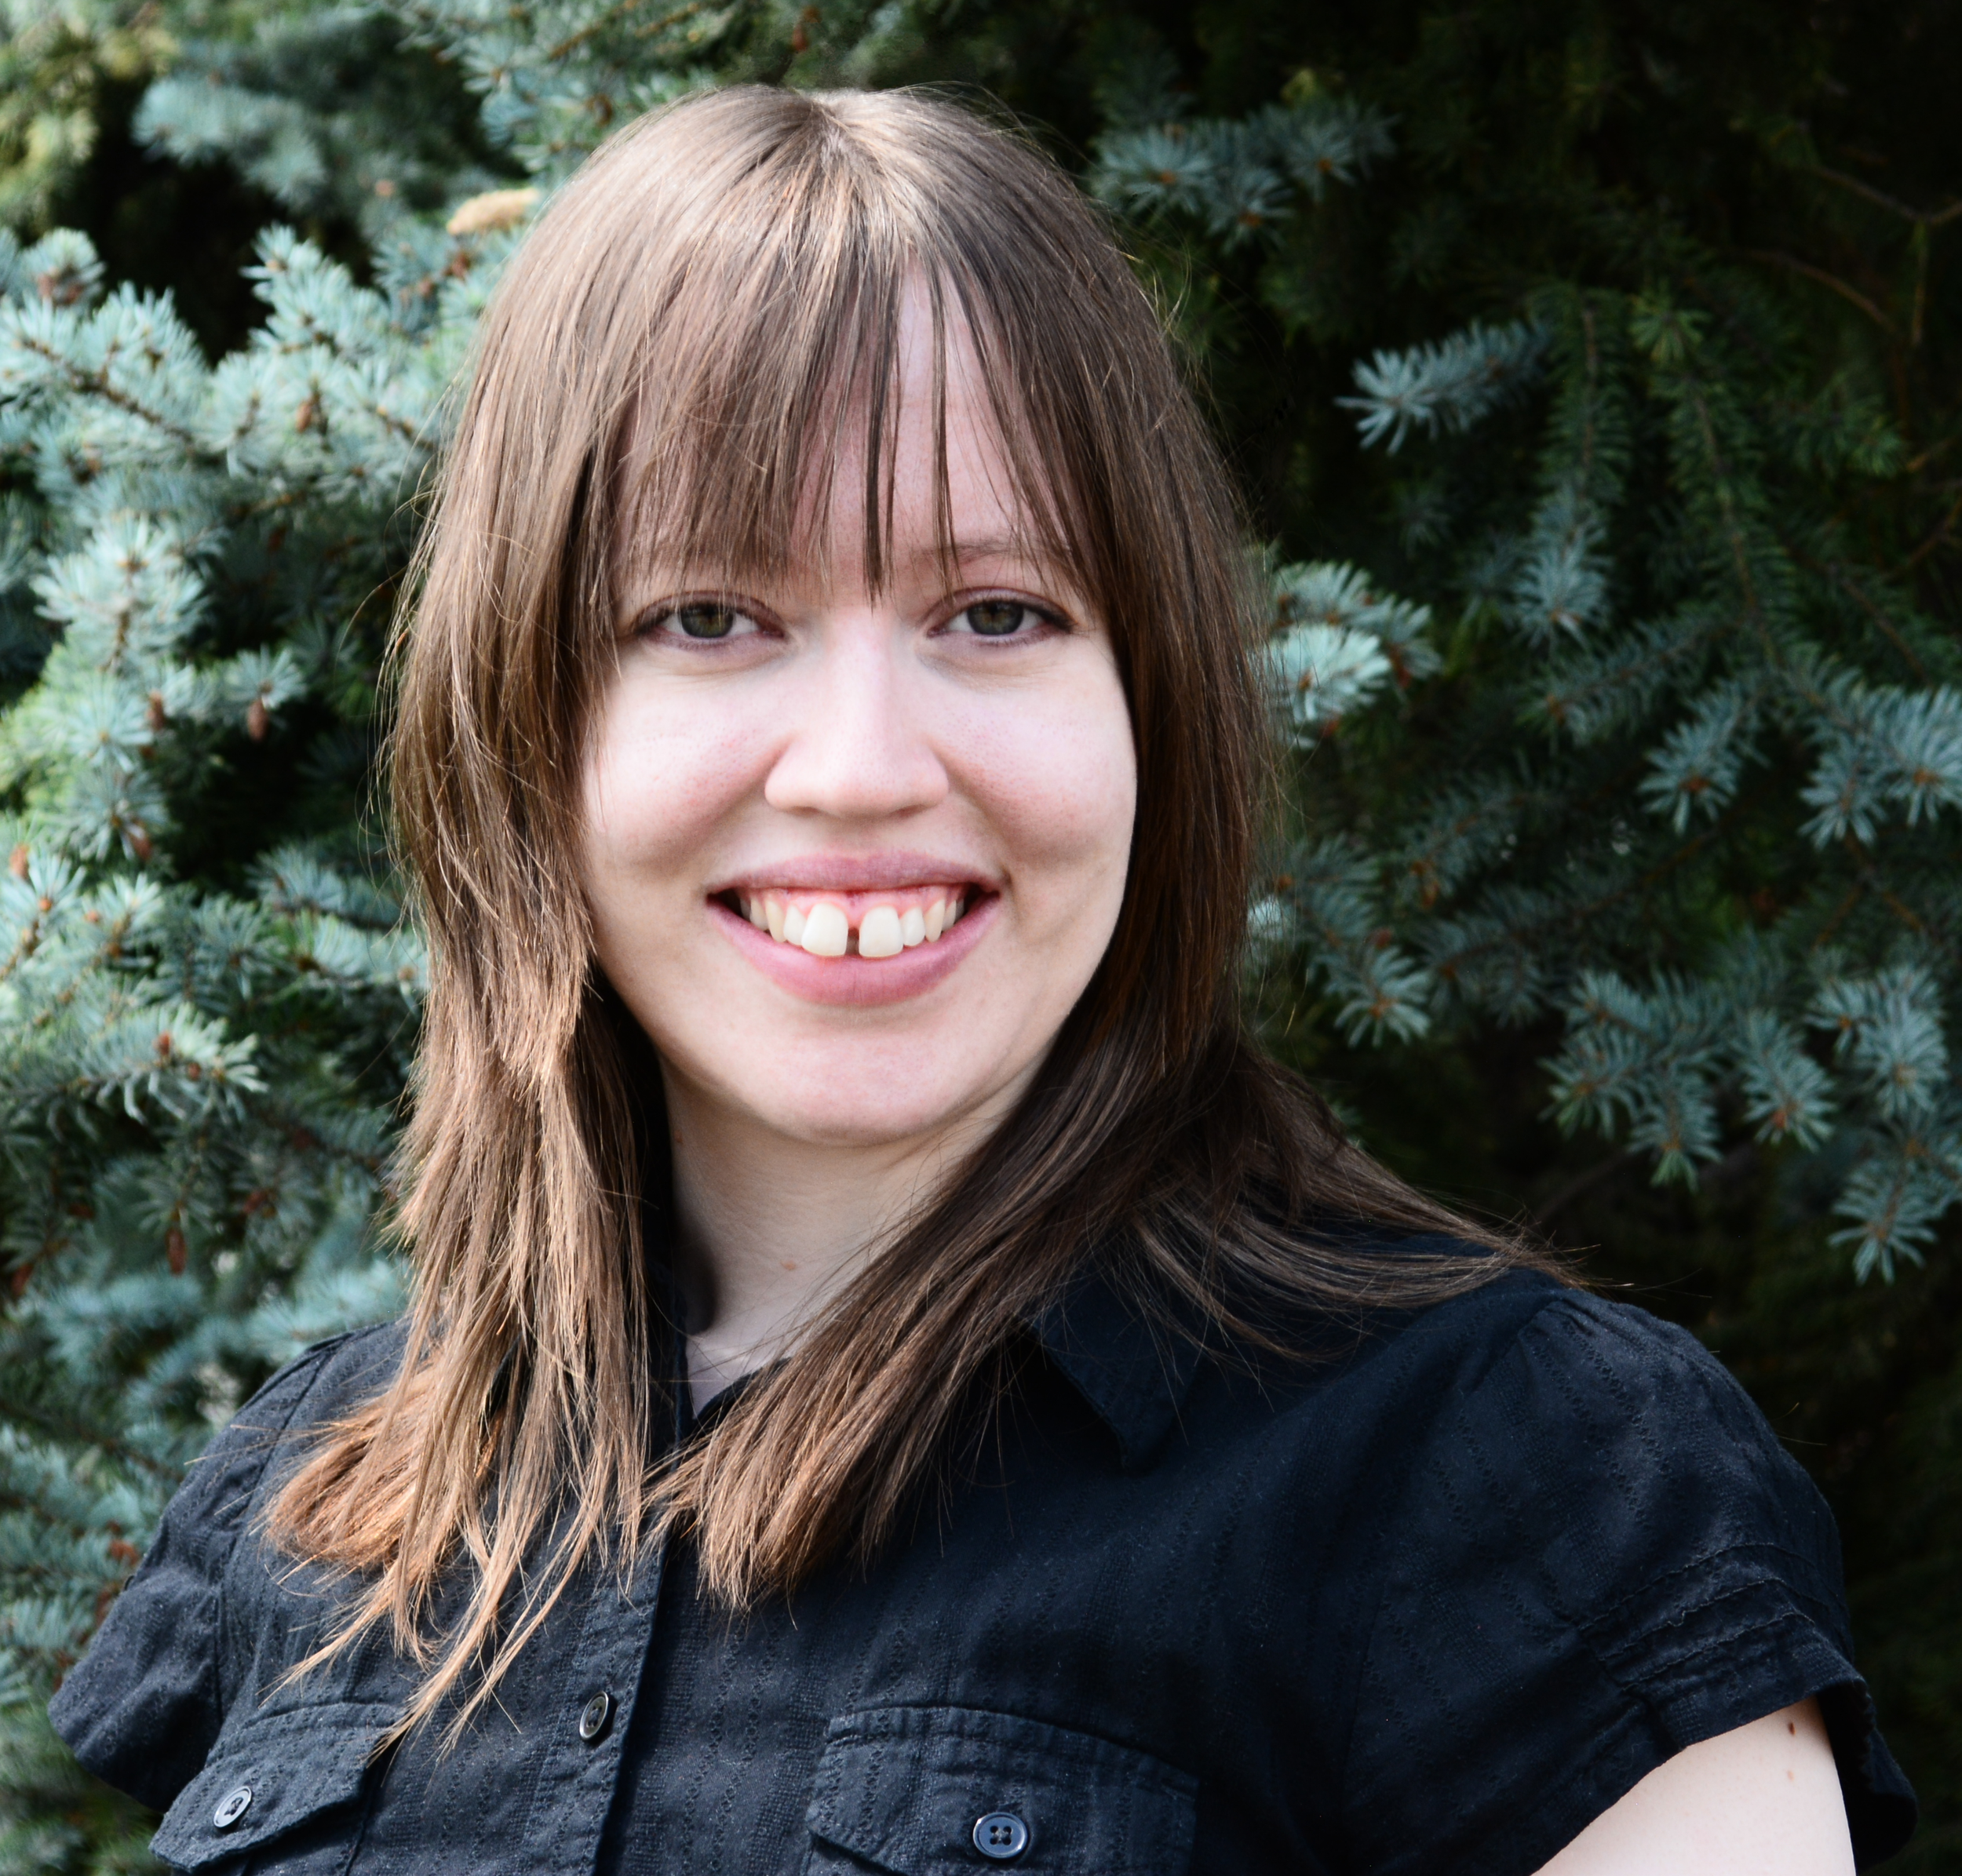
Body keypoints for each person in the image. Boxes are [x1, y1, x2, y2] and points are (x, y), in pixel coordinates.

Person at [50, 86, 1916, 1876]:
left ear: (1151, 711)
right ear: (527, 726)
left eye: (995, 612)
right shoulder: (312, 1501)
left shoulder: (1525, 1477)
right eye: (709, 616)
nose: (858, 762)